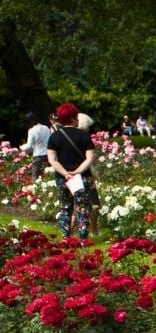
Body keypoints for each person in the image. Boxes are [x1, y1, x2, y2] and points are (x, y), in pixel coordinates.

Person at [45, 103, 98, 240]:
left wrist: (65, 173)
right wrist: (77, 171)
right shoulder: (84, 136)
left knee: (65, 207)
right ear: (74, 118)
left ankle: (65, 237)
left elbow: (52, 159)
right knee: (82, 207)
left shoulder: (54, 137)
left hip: (63, 178)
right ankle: (82, 238)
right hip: (82, 177)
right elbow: (90, 157)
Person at [19, 112, 50, 179]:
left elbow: (29, 146)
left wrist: (20, 148)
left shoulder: (31, 130)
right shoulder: (46, 127)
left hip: (38, 155)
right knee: (50, 174)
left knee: (35, 177)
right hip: (48, 154)